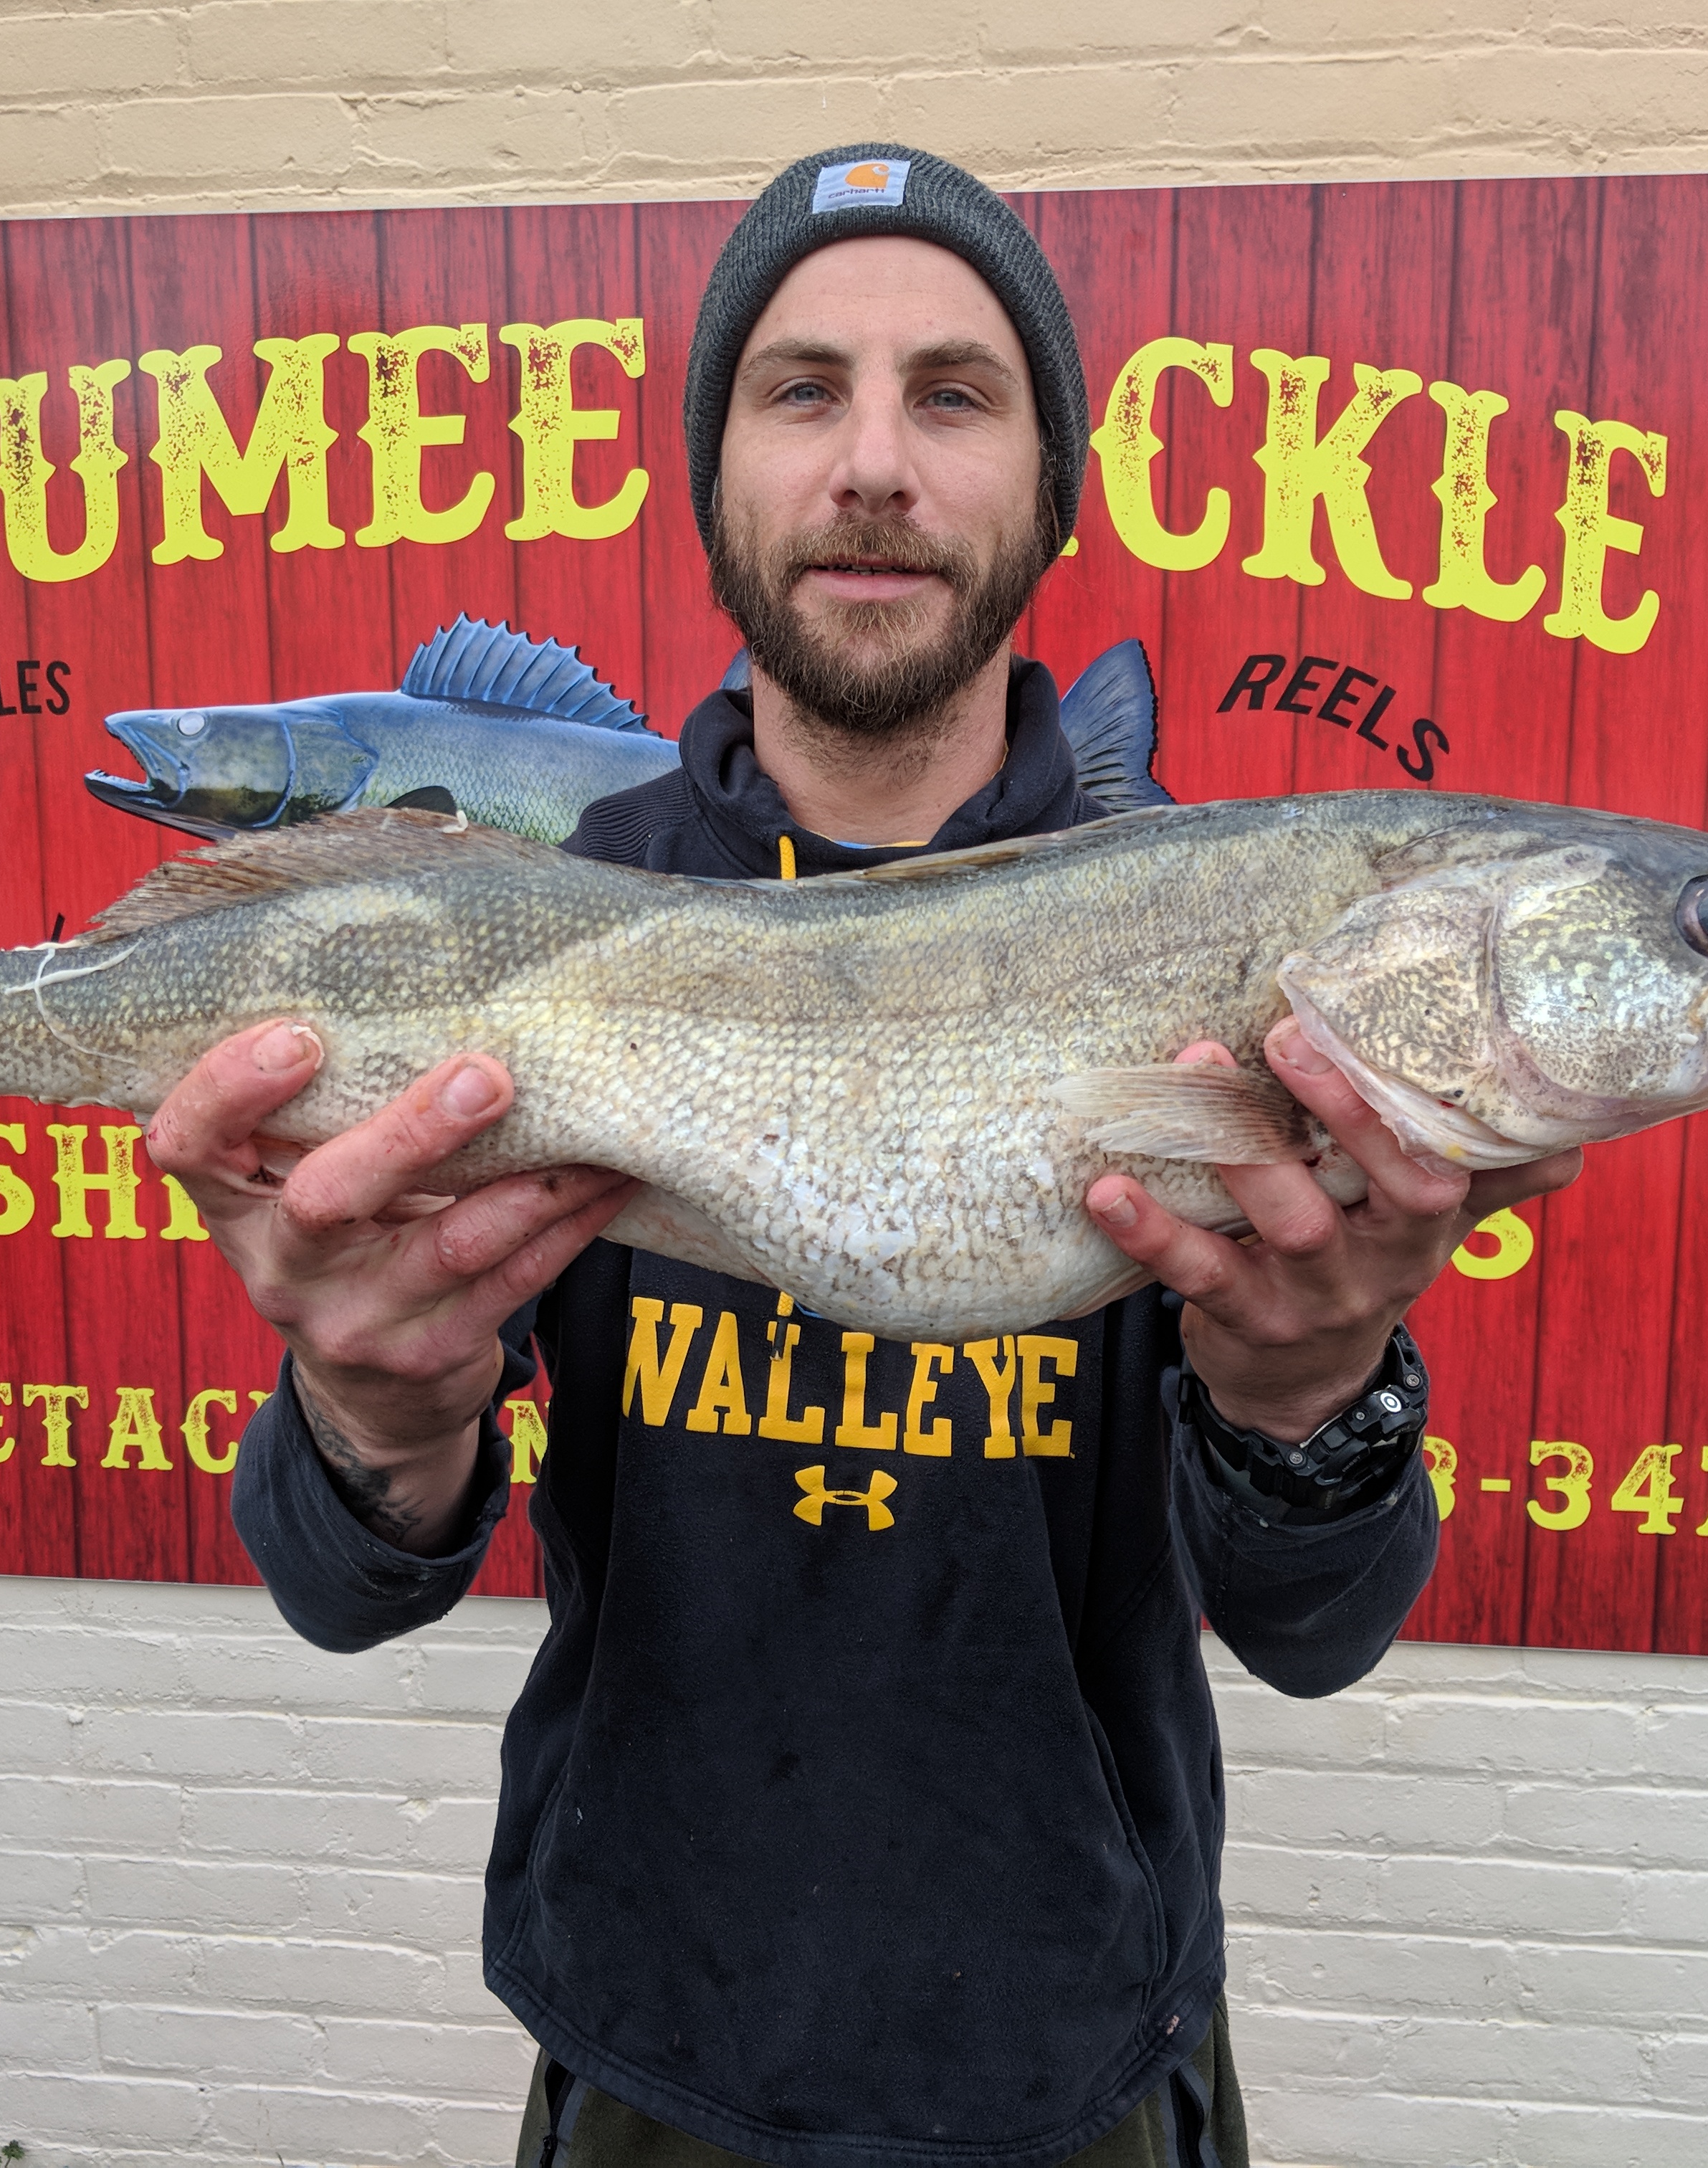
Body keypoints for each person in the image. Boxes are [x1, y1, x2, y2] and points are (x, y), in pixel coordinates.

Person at [147, 146, 1580, 2168]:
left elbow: (1315, 1631)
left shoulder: (1221, 943)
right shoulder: (551, 909)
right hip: (647, 2043)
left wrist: (1306, 1402)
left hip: (1083, 2061)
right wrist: (375, 1411)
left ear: (1053, 488)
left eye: (956, 395)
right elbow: (338, 1591)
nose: (877, 464)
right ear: (715, 475)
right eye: (803, 389)